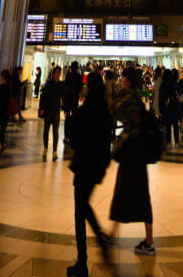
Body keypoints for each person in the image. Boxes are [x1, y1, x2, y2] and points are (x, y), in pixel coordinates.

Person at [67, 72, 114, 277]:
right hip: (98, 165)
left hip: (83, 164)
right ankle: (100, 241)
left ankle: (82, 261)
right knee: (84, 204)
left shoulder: (84, 110)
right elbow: (110, 134)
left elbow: (74, 139)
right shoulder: (105, 110)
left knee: (80, 210)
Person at [110, 65, 155, 257]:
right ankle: (148, 241)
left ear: (128, 80)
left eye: (122, 78)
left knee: (123, 191)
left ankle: (112, 235)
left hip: (132, 153)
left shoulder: (128, 98)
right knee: (140, 195)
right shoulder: (136, 96)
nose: (121, 80)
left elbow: (113, 108)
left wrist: (117, 91)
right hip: (139, 152)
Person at [39, 65, 64, 160]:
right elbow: (43, 96)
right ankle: (45, 148)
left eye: (59, 73)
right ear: (53, 73)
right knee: (46, 130)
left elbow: (63, 97)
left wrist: (64, 108)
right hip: (48, 110)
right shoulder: (48, 84)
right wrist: (42, 108)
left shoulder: (61, 85)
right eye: (57, 72)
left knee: (55, 132)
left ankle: (54, 151)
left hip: (56, 111)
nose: (58, 74)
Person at [159, 68, 180, 148]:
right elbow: (178, 95)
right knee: (175, 125)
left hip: (166, 108)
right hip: (174, 107)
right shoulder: (174, 83)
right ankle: (177, 141)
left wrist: (160, 109)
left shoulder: (163, 85)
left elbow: (161, 98)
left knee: (167, 126)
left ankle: (168, 142)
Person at [64, 61, 83, 142]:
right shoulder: (79, 76)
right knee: (74, 117)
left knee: (67, 118)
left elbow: (65, 87)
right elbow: (80, 87)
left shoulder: (68, 75)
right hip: (74, 99)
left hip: (68, 99)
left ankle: (66, 136)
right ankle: (72, 136)